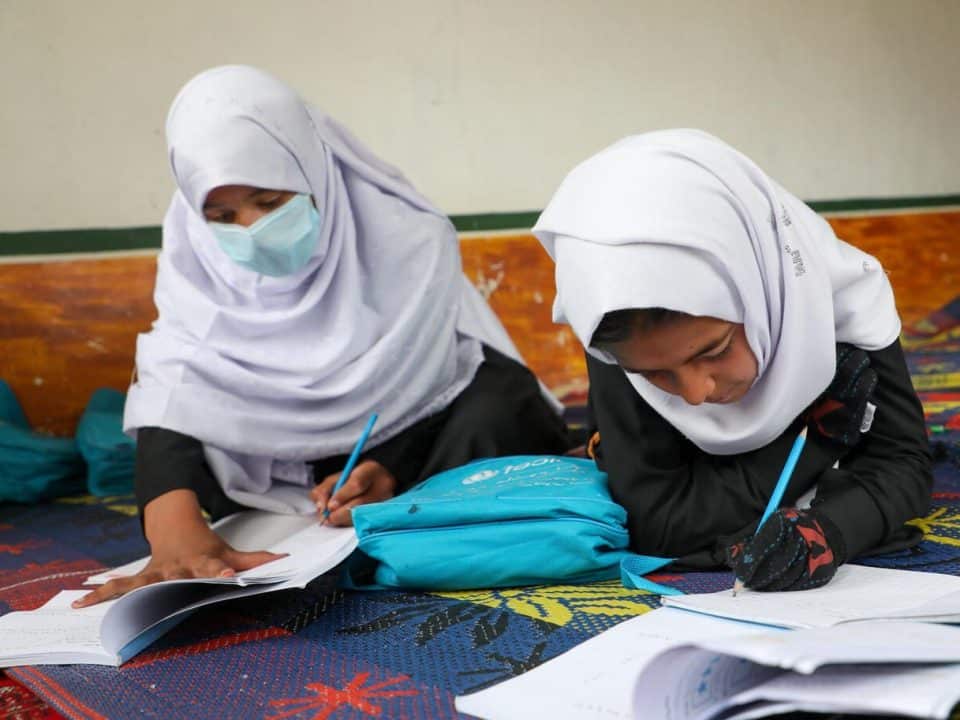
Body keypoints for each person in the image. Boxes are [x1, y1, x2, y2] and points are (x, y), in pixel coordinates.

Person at [74, 65, 567, 607]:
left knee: (501, 403)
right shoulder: (198, 260)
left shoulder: (407, 238)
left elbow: (441, 373)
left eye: (269, 202)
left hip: (405, 432)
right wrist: (172, 530)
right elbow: (175, 385)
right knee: (171, 426)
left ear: (313, 170)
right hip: (265, 456)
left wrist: (392, 469)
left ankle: (397, 493)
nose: (249, 231)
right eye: (222, 214)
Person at [533, 129, 932, 592]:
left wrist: (833, 530)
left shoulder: (836, 304)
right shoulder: (616, 331)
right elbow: (657, 521)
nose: (696, 393)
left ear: (757, 285)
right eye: (653, 375)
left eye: (715, 350)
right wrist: (821, 442)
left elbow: (903, 461)